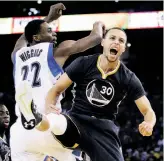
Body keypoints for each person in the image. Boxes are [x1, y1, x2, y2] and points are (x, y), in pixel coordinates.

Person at [16, 27, 156, 161]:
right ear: (103, 42)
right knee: (56, 120)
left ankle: (37, 118)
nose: (116, 42)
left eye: (121, 41)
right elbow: (56, 89)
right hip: (77, 121)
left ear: (124, 48)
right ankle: (35, 116)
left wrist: (149, 123)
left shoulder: (128, 77)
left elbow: (147, 110)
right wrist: (48, 105)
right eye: (112, 38)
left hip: (104, 131)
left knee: (57, 125)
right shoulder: (84, 63)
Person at [10, 2, 105, 161]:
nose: (53, 33)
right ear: (36, 37)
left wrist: (48, 19)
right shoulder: (55, 52)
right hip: (48, 125)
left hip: (21, 132)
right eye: (49, 31)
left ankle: (31, 113)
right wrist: (98, 24)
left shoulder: (17, 55)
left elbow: (22, 38)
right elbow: (95, 38)